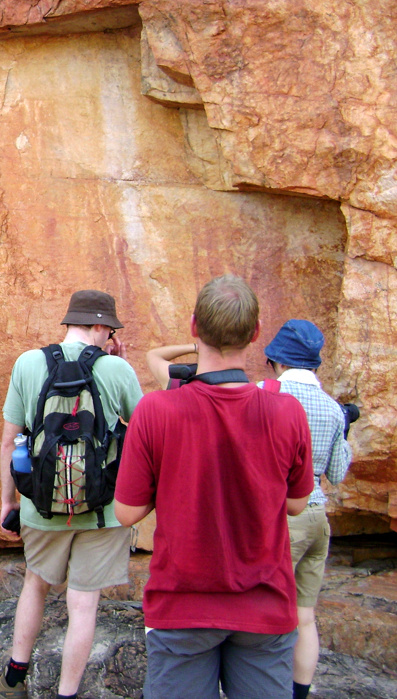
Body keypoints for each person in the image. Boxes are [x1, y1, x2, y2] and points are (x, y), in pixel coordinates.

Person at [114, 274, 314, 699]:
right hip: (265, 605)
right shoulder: (287, 412)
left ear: (193, 327)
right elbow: (297, 503)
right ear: (256, 333)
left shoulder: (157, 410)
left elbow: (127, 512)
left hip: (182, 606)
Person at [0, 290, 143, 699]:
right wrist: (120, 365)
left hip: (41, 507)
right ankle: (66, 694)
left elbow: (8, 442)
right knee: (83, 604)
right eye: (110, 331)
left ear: (70, 322)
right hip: (102, 510)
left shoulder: (28, 363)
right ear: (102, 327)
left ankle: (14, 679)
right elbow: (144, 432)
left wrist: (9, 502)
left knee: (35, 584)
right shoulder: (115, 369)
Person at [263, 320, 352, 699]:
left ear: (277, 362)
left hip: (281, 517)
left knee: (264, 613)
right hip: (317, 517)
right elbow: (336, 471)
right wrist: (345, 428)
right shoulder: (333, 409)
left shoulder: (267, 395)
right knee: (305, 616)